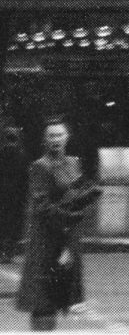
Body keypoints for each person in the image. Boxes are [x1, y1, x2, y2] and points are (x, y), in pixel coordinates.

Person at [16, 117, 101, 331]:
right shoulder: (39, 167)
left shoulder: (73, 162)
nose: (56, 139)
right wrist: (70, 214)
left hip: (67, 238)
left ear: (67, 137)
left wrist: (89, 195)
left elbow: (80, 191)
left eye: (59, 134)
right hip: (46, 241)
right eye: (51, 135)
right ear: (45, 139)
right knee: (44, 301)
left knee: (60, 295)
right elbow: (43, 207)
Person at [0, 125, 29, 262]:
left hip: (2, 195)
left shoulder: (1, 153)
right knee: (14, 224)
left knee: (3, 222)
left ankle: (2, 251)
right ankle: (9, 252)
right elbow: (25, 178)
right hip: (17, 197)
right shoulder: (22, 155)